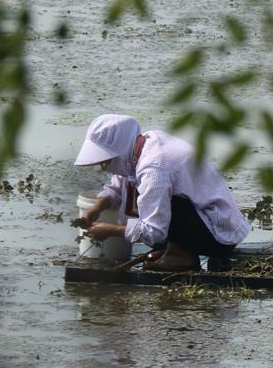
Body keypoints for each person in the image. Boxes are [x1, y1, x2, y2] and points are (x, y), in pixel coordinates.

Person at [73, 114, 249, 271]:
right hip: (207, 221)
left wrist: (112, 230)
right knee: (154, 200)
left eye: (106, 162)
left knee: (168, 204)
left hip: (219, 236)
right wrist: (95, 209)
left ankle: (181, 256)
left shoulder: (153, 167)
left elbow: (154, 232)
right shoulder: (144, 144)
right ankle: (176, 248)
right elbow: (118, 185)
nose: (104, 168)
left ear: (119, 151)